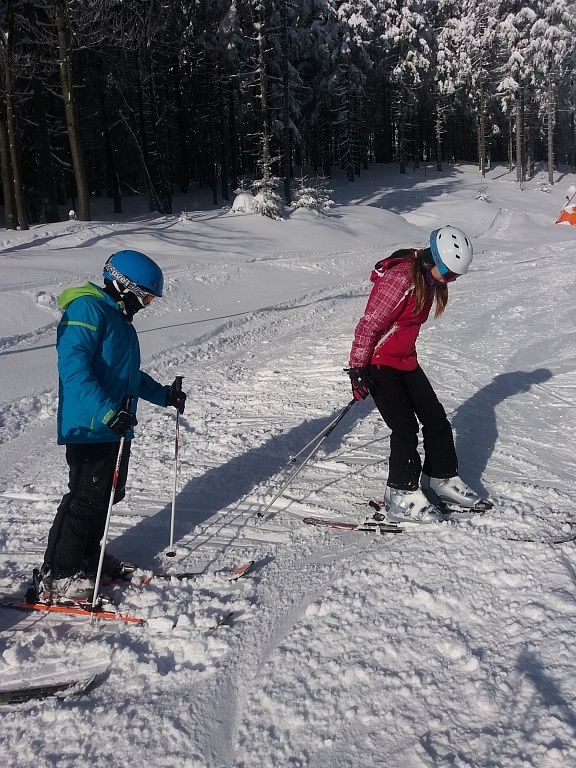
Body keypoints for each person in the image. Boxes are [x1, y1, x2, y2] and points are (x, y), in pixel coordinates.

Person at [40, 250, 187, 600]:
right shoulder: (87, 310)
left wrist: (164, 395)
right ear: (124, 286)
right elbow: (74, 369)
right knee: (85, 498)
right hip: (90, 425)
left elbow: (128, 376)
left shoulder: (118, 319)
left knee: (107, 496)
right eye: (146, 296)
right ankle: (58, 574)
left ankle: (88, 558)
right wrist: (107, 413)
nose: (147, 304)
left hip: (115, 424)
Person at [347, 225, 486, 525]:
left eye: (455, 276)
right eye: (448, 273)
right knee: (404, 428)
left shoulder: (429, 278)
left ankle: (441, 478)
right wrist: (358, 369)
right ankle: (400, 494)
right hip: (379, 361)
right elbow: (369, 323)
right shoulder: (401, 279)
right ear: (433, 258)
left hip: (405, 360)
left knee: (436, 419)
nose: (450, 280)